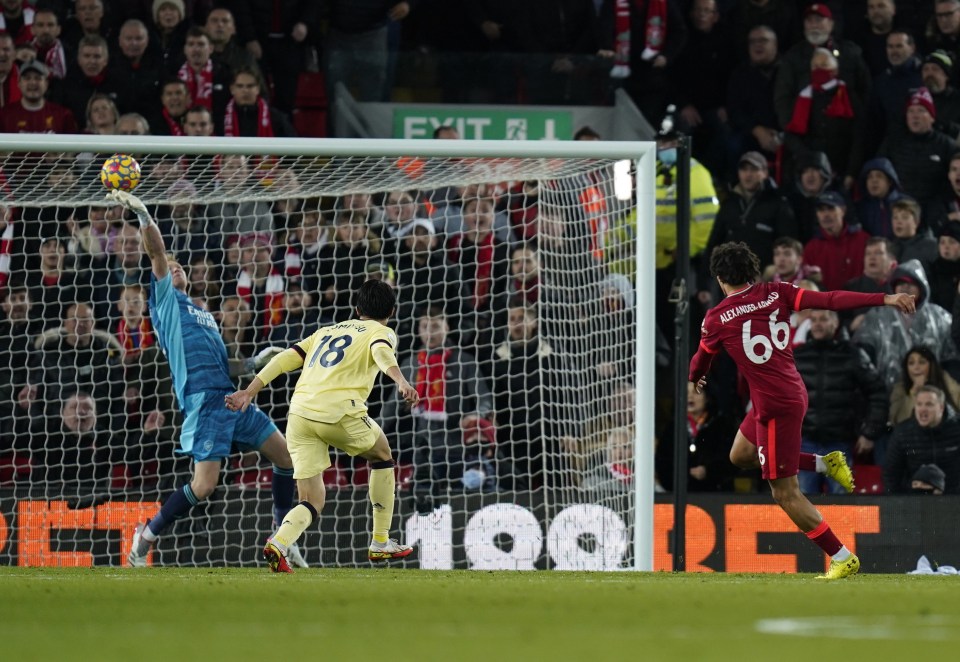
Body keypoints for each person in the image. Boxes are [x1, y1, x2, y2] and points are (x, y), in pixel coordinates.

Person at [689, 241, 916, 579]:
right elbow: (830, 300)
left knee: (785, 493)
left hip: (778, 405)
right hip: (785, 393)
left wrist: (696, 376)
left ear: (721, 278)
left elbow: (701, 361)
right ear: (752, 270)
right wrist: (884, 298)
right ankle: (825, 462)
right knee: (741, 454)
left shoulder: (717, 318)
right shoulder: (777, 291)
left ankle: (842, 556)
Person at [106, 189, 305, 569]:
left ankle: (282, 538)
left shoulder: (205, 314)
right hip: (203, 402)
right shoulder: (165, 302)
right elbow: (155, 254)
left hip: (233, 397)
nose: (175, 268)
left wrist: (249, 365)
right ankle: (146, 534)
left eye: (180, 267)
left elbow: (223, 365)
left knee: (286, 457)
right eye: (171, 266)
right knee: (204, 486)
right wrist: (145, 216)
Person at [225, 279, 420, 572]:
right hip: (339, 412)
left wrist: (249, 392)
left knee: (312, 499)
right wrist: (401, 381)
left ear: (356, 309)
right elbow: (382, 352)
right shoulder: (382, 332)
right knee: (382, 456)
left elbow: (284, 359)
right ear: (392, 311)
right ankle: (380, 542)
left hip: (300, 414)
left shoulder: (326, 331)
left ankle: (278, 543)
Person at [884, 385, 960, 493]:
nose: (923, 409)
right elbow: (891, 475)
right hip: (916, 502)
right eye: (919, 404)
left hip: (954, 500)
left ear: (941, 407)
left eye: (929, 404)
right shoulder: (902, 433)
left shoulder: (957, 428)